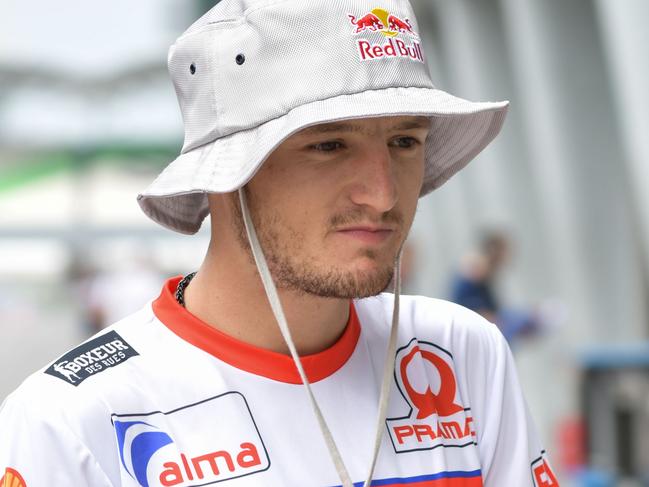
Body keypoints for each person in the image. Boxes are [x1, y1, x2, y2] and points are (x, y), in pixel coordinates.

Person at [0, 1, 560, 486]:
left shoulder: (463, 352)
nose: (383, 193)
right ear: (226, 176)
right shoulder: (72, 420)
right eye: (329, 145)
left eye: (405, 140)